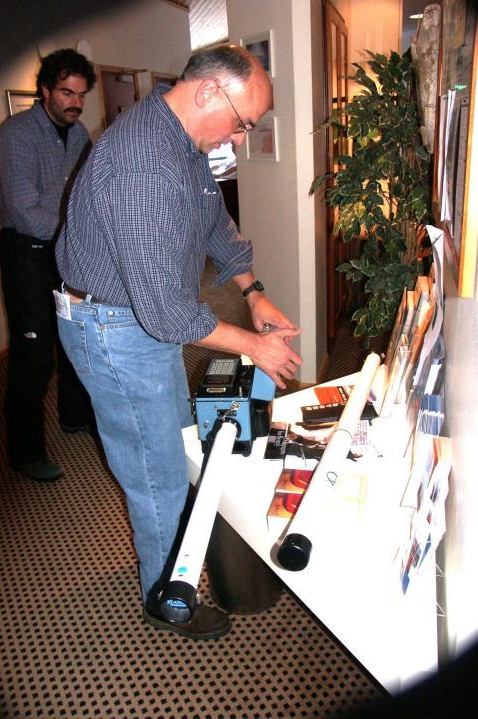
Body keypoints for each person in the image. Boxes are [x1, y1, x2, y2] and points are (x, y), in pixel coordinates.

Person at [55, 43, 303, 640]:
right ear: (209, 92)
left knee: (176, 445)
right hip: (111, 331)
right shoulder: (145, 163)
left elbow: (214, 222)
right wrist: (253, 345)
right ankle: (168, 599)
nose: (242, 139)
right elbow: (168, 315)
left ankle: (173, 562)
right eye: (244, 124)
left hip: (137, 319)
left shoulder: (184, 141)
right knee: (156, 473)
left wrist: (254, 289)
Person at [0, 48, 97, 483]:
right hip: (28, 255)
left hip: (66, 252)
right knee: (34, 356)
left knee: (74, 338)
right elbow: (22, 209)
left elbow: (89, 189)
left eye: (81, 94)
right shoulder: (16, 135)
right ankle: (25, 452)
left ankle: (73, 416)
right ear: (45, 90)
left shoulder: (79, 132)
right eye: (67, 92)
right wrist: (77, 234)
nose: (75, 102)